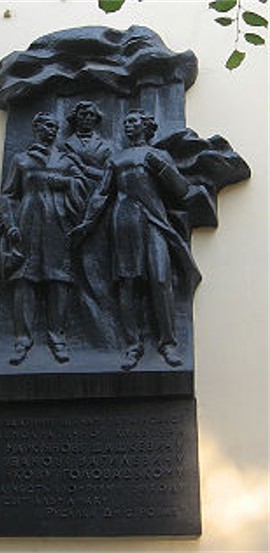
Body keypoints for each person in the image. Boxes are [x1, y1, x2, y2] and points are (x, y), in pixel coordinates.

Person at [71, 110, 201, 371]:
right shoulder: (116, 158)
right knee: (128, 285)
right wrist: (87, 222)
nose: (128, 126)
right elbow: (101, 194)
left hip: (154, 221)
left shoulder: (159, 155)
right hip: (124, 222)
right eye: (126, 122)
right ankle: (133, 344)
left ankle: (167, 343)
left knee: (161, 279)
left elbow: (181, 190)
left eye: (133, 121)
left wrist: (160, 167)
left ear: (146, 126)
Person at [0, 112, 83, 365]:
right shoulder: (22, 159)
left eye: (55, 126)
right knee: (25, 279)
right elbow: (8, 196)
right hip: (27, 224)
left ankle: (57, 337)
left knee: (58, 280)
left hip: (58, 224)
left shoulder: (67, 159)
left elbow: (81, 184)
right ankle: (23, 339)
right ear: (36, 127)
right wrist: (11, 224)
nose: (51, 130)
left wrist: (66, 183)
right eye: (47, 125)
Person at [63, 100, 112, 221]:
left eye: (91, 115)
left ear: (96, 118)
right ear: (75, 117)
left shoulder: (107, 146)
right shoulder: (63, 145)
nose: (88, 118)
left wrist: (84, 168)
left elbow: (111, 176)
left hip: (99, 199)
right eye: (83, 114)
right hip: (71, 199)